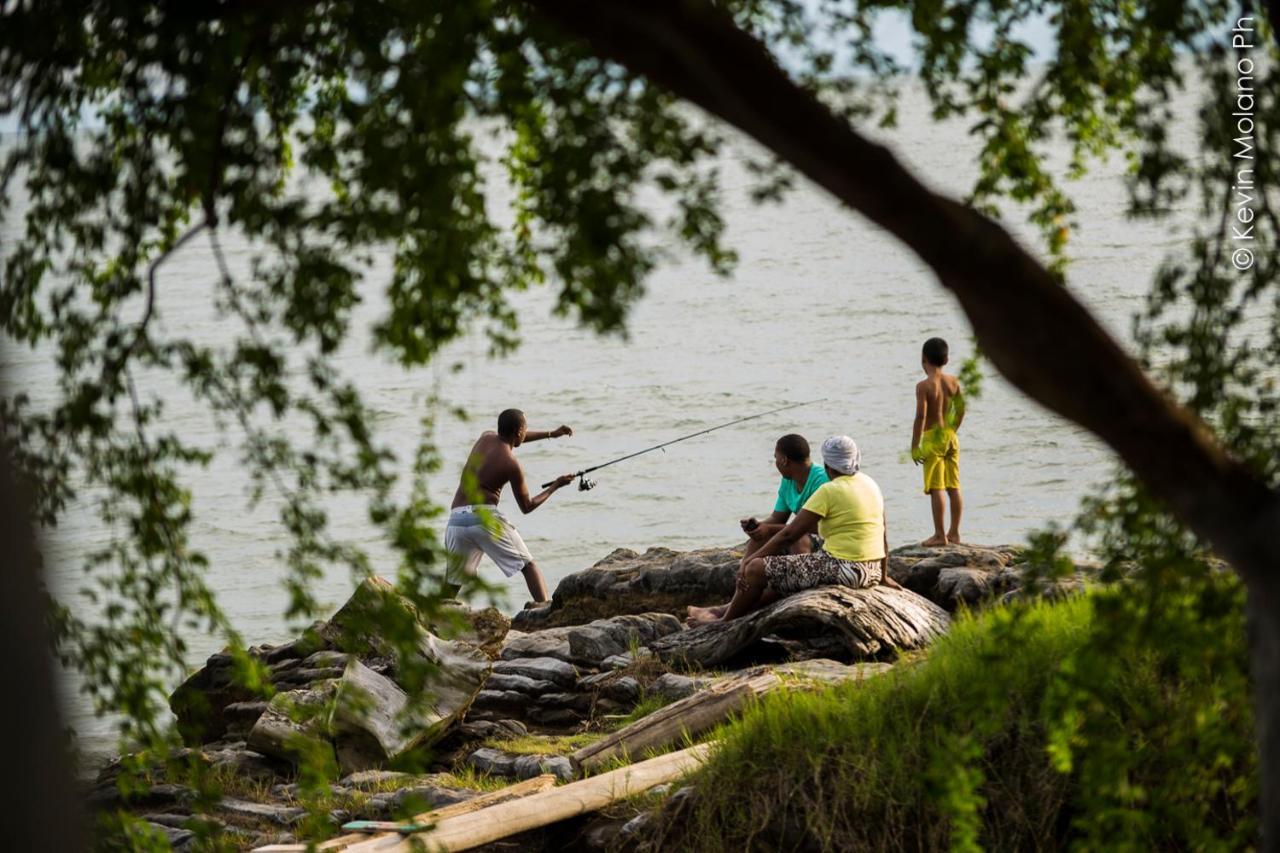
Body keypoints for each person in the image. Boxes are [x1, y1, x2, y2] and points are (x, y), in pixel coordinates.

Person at [687, 436, 899, 625]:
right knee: (778, 568)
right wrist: (883, 575)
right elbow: (883, 531)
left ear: (827, 463)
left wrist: (751, 562)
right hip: (871, 571)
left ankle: (724, 621)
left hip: (842, 569)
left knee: (756, 570)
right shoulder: (869, 483)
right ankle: (726, 611)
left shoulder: (829, 490)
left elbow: (790, 534)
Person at [444, 409, 575, 603]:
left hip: (456, 520)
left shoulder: (485, 438)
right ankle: (544, 611)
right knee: (528, 566)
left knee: (453, 582)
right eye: (525, 428)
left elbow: (514, 438)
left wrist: (551, 434)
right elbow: (527, 506)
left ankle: (436, 619)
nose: (526, 432)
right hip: (483, 519)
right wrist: (556, 485)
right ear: (518, 431)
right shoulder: (512, 464)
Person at [739, 433, 829, 561]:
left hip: (827, 536)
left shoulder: (822, 480)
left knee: (798, 539)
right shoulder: (788, 480)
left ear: (784, 460)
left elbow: (814, 527)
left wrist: (769, 529)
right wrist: (758, 527)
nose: (775, 463)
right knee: (761, 536)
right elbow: (777, 518)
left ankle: (800, 574)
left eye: (776, 458)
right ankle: (744, 573)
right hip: (801, 532)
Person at [910, 337, 964, 546]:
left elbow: (921, 417)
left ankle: (940, 535)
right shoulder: (953, 382)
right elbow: (960, 410)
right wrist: (953, 430)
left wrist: (915, 446)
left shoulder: (923, 386)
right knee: (954, 486)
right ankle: (955, 533)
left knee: (936, 487)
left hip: (933, 438)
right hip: (950, 436)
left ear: (923, 359)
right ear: (947, 359)